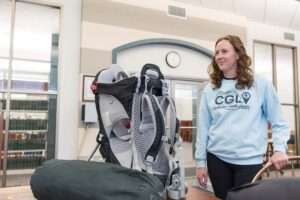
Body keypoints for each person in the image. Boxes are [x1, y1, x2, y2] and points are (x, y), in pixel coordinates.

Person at [195, 35, 289, 200]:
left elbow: (278, 121)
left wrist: (280, 148)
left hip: (249, 161)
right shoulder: (210, 89)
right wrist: (200, 162)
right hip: (217, 158)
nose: (219, 56)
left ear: (238, 55)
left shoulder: (260, 84)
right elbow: (203, 127)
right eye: (216, 52)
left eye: (224, 51)